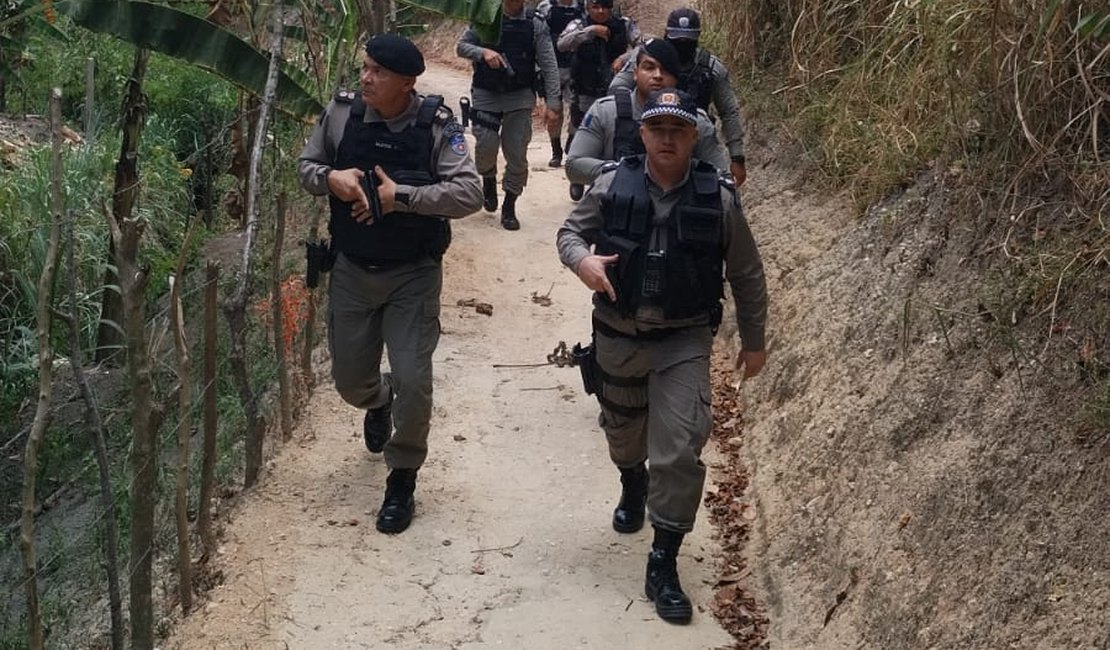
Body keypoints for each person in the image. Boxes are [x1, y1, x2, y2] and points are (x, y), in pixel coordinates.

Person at [556, 88, 768, 623]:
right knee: (623, 434)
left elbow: (745, 272)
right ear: (643, 134)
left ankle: (664, 561)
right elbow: (569, 234)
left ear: (694, 138)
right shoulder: (609, 183)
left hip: (683, 341)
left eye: (679, 130)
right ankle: (632, 479)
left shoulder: (717, 198)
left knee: (679, 449)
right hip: (618, 336)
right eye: (658, 129)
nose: (668, 138)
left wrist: (754, 338)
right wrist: (582, 263)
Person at [297, 34, 483, 535]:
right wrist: (330, 179)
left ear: (408, 82)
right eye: (365, 68)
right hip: (354, 271)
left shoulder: (437, 126)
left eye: (378, 71)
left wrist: (401, 196)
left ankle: (403, 477)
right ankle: (377, 403)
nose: (366, 78)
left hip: (413, 276)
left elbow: (469, 192)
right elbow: (307, 167)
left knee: (414, 379)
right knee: (350, 382)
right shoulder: (341, 116)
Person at [564, 38, 728, 191]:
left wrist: (678, 178)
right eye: (649, 68)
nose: (657, 75)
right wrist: (626, 173)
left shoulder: (695, 121)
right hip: (617, 208)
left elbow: (723, 178)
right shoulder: (605, 112)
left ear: (676, 78)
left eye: (665, 70)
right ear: (635, 73)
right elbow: (574, 165)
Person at [609, 7, 748, 186]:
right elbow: (617, 87)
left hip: (692, 141)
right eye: (677, 40)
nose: (681, 47)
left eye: (687, 41)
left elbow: (729, 112)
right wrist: (638, 113)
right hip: (647, 137)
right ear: (667, 35)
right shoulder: (648, 60)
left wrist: (737, 156)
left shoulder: (710, 69)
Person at [457, 0, 561, 230]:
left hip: (520, 95)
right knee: (485, 144)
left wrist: (553, 102)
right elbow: (462, 46)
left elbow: (548, 64)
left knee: (516, 152)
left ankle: (510, 205)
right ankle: (488, 179)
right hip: (486, 93)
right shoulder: (486, 17)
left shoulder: (535, 23)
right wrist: (483, 52)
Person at [555, 0, 640, 198]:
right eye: (595, 7)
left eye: (604, 7)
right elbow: (562, 44)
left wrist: (625, 58)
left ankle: (605, 179)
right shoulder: (579, 25)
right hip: (585, 90)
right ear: (588, 8)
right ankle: (577, 177)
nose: (600, 11)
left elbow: (643, 47)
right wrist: (590, 31)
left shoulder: (624, 24)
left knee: (613, 135)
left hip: (615, 92)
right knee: (579, 133)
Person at [535, 0, 585, 168]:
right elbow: (537, 36)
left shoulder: (583, 6)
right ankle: (556, 150)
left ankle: (571, 141)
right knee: (554, 113)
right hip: (551, 67)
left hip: (577, 67)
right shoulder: (545, 8)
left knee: (577, 110)